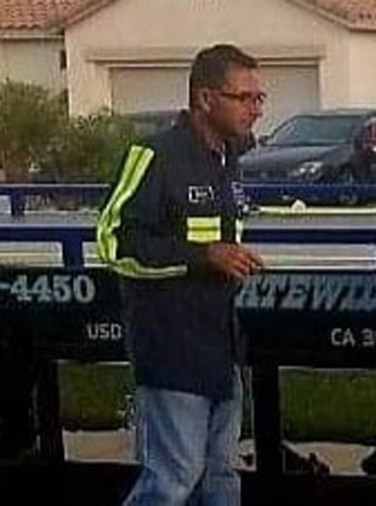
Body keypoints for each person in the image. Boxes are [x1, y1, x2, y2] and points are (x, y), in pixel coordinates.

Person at [96, 44, 266, 505]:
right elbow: (113, 241)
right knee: (173, 479)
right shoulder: (155, 156)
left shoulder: (230, 161)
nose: (255, 109)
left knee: (220, 478)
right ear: (205, 98)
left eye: (259, 98)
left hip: (222, 346)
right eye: (243, 97)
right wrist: (202, 255)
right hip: (171, 348)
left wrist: (228, 257)